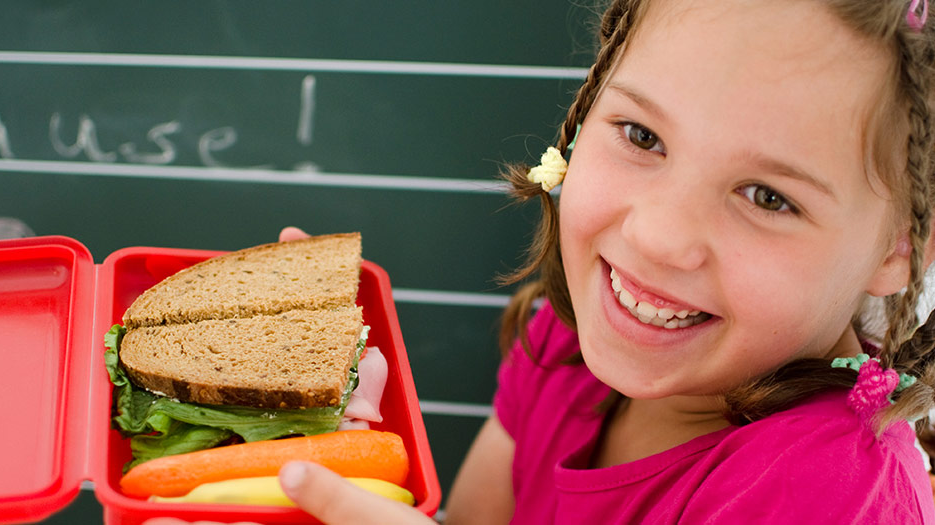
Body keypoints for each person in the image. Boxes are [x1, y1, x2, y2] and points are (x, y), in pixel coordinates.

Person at [157, 0, 935, 522]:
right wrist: (339, 440)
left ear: (903, 248)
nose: (659, 237)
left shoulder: (837, 493)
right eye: (641, 136)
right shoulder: (566, 341)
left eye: (767, 196)